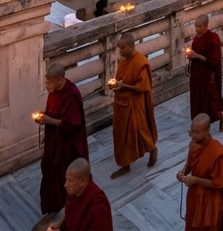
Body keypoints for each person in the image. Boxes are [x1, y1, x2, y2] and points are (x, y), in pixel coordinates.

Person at [35, 61, 89, 220]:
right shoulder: (54, 91)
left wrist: (48, 120)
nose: (47, 84)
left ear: (60, 79)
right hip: (54, 141)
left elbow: (72, 123)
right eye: (47, 80)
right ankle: (53, 207)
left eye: (50, 81)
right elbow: (54, 112)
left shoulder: (71, 94)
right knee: (50, 174)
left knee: (64, 175)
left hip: (67, 144)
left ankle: (70, 205)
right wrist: (44, 115)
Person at [177, 114, 223, 231]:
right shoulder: (193, 144)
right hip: (195, 194)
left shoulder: (217, 152)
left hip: (211, 198)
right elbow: (189, 164)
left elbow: (219, 183)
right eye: (192, 131)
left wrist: (195, 180)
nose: (193, 135)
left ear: (207, 131)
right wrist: (183, 172)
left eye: (197, 132)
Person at [110, 32, 158, 178]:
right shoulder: (123, 62)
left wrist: (125, 86)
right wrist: (117, 86)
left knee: (139, 131)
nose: (121, 51)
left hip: (135, 104)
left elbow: (143, 86)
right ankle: (125, 165)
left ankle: (152, 149)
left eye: (123, 48)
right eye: (119, 48)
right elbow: (122, 80)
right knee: (119, 134)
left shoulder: (140, 63)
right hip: (121, 103)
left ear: (132, 46)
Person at [46, 159, 112, 231]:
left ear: (83, 181)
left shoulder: (98, 208)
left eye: (70, 181)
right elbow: (72, 219)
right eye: (66, 179)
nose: (65, 185)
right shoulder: (74, 192)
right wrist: (60, 226)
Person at [188, 15, 223, 131]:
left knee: (211, 99)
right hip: (196, 74)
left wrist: (197, 56)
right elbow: (195, 52)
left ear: (206, 25)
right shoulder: (196, 38)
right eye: (196, 26)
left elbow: (215, 59)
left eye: (200, 26)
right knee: (197, 99)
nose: (197, 29)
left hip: (208, 74)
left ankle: (221, 116)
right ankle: (200, 125)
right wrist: (190, 55)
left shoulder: (213, 38)